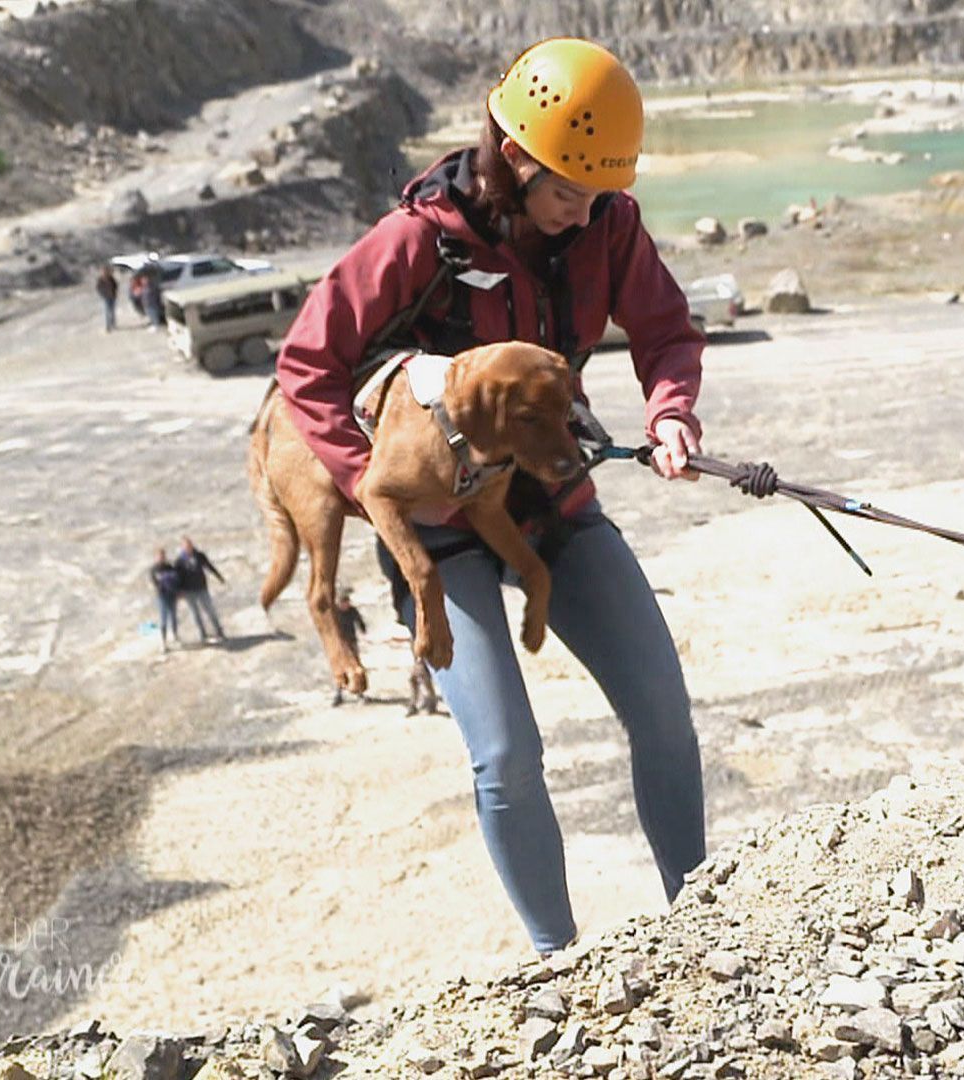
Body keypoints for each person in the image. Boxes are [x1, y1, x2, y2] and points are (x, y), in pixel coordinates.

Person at [273, 37, 707, 955]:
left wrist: (671, 414)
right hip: (446, 534)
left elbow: (667, 330)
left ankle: (704, 921)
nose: (585, 215)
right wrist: (369, 485)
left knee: (664, 709)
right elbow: (306, 365)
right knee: (507, 753)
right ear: (514, 160)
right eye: (566, 195)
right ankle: (561, 965)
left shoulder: (607, 224)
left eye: (599, 196)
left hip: (556, 510)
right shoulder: (415, 243)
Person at [172, 536, 225, 642]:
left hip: (201, 589)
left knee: (210, 610)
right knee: (195, 614)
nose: (189, 547)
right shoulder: (179, 561)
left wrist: (219, 577)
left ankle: (219, 631)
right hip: (188, 591)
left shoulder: (199, 556)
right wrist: (177, 592)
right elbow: (176, 577)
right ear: (182, 548)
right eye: (186, 546)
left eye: (190, 545)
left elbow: (209, 566)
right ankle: (203, 635)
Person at [333, 587, 368, 706]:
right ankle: (338, 694)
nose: (346, 605)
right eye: (344, 602)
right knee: (341, 668)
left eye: (347, 602)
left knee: (356, 667)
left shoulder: (352, 611)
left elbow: (359, 621)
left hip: (352, 642)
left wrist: (362, 628)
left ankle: (360, 693)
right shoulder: (335, 612)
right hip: (340, 644)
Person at [148, 549, 181, 652]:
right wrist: (163, 585)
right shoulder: (153, 569)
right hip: (162, 596)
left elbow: (176, 580)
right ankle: (163, 642)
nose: (161, 557)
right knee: (163, 619)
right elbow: (154, 583)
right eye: (159, 556)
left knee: (174, 616)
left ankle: (175, 635)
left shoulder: (169, 567)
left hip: (172, 595)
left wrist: (178, 591)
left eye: (163, 556)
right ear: (156, 557)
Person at [140, 257, 166, 329]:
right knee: (150, 308)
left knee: (152, 308)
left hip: (151, 294)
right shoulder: (155, 271)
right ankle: (154, 322)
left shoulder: (152, 274)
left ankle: (156, 324)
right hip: (150, 293)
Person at [96, 266, 119, 332]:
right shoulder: (100, 279)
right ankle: (108, 326)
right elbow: (98, 288)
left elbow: (115, 285)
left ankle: (113, 324)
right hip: (106, 297)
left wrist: (114, 293)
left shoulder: (111, 278)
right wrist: (103, 294)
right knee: (107, 312)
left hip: (112, 297)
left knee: (112, 311)